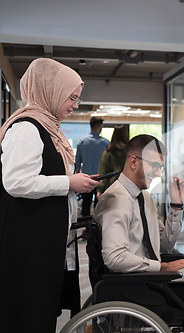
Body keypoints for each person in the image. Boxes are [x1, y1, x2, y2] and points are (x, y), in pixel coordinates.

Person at [93, 134, 184, 332]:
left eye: (160, 168)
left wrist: (176, 206)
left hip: (153, 280)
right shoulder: (117, 199)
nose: (157, 173)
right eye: (154, 166)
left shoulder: (144, 197)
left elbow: (164, 246)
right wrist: (164, 267)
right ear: (133, 161)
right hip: (137, 286)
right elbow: (114, 257)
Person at [0, 58, 100, 333]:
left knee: (41, 312)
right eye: (72, 98)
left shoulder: (47, 127)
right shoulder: (26, 128)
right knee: (26, 315)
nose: (74, 105)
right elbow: (16, 182)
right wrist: (68, 182)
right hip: (27, 247)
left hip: (42, 244)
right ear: (50, 90)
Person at [75, 116, 109, 216]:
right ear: (100, 126)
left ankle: (86, 227)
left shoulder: (82, 142)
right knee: (99, 205)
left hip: (86, 178)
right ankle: (97, 227)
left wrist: (77, 173)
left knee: (85, 204)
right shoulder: (106, 143)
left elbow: (77, 162)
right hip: (101, 178)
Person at [95, 124, 129, 200]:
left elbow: (103, 171)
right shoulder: (131, 152)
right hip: (128, 188)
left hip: (112, 188)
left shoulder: (108, 151)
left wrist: (99, 189)